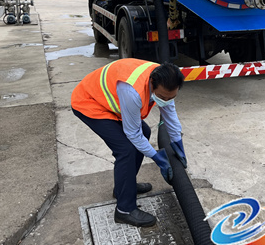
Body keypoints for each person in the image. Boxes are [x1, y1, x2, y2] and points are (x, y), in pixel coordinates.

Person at [71, 59, 187, 227]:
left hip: (110, 102)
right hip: (90, 102)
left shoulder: (167, 81)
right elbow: (133, 134)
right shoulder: (133, 91)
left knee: (145, 132)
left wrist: (178, 144)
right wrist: (157, 158)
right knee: (126, 150)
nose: (166, 100)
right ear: (152, 83)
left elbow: (171, 117)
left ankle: (124, 187)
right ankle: (124, 210)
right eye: (162, 97)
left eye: (171, 97)